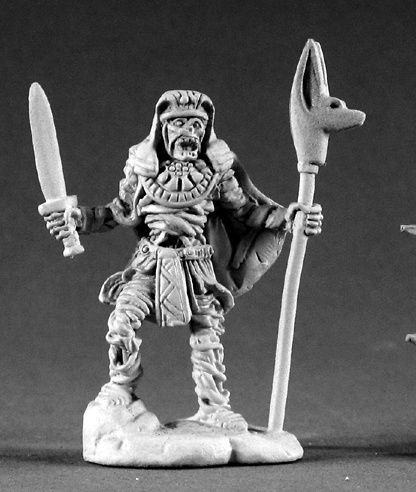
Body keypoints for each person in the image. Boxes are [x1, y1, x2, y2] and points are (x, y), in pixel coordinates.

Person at [43, 90, 323, 431]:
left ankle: (214, 407)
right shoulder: (142, 170)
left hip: (197, 268)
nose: (188, 132)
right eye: (178, 123)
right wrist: (78, 219)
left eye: (197, 125)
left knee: (208, 335)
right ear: (162, 128)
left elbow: (247, 212)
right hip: (149, 265)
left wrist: (288, 217)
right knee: (121, 322)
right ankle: (121, 390)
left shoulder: (217, 173)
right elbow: (115, 212)